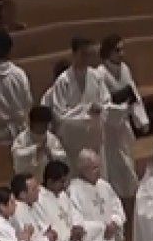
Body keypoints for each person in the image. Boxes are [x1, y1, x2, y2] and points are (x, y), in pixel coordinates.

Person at [96, 34, 151, 199]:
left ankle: (129, 196)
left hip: (123, 125)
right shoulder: (100, 73)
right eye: (117, 50)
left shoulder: (125, 69)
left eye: (122, 49)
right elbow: (104, 103)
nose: (122, 53)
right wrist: (121, 107)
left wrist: (142, 120)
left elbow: (133, 94)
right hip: (108, 127)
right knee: (112, 165)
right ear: (108, 52)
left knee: (127, 161)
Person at [42, 39, 110, 169]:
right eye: (83, 54)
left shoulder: (96, 76)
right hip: (73, 140)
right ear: (74, 54)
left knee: (98, 172)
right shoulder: (63, 81)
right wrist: (86, 111)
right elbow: (60, 114)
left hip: (94, 135)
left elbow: (106, 102)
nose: (87, 58)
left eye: (89, 54)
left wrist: (100, 109)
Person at [12, 105, 68, 176]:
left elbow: (62, 156)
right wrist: (35, 149)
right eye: (40, 124)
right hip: (28, 178)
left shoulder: (51, 138)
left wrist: (50, 152)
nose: (44, 127)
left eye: (46, 124)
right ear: (32, 123)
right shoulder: (22, 138)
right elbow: (17, 155)